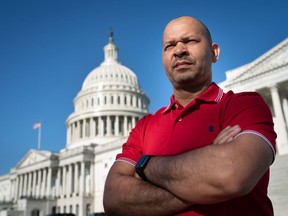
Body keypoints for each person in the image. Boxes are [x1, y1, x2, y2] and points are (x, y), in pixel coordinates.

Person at [103, 16, 277, 216]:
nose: (179, 50)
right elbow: (113, 200)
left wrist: (145, 166)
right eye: (169, 46)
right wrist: (206, 179)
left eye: (190, 41)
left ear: (214, 52)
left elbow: (231, 175)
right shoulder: (144, 126)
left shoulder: (245, 105)